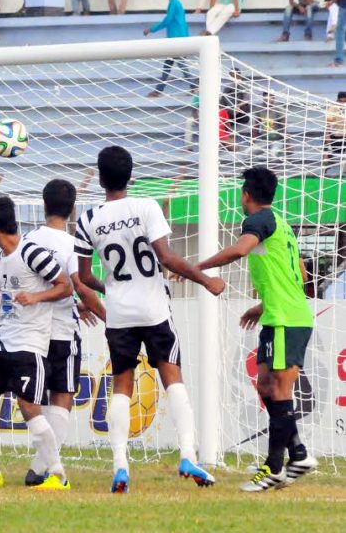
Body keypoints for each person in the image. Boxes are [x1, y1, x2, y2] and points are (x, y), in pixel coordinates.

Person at [74, 146, 223, 493]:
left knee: (122, 386)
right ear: (131, 175)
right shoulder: (147, 206)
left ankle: (120, 466)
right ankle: (187, 454)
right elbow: (167, 258)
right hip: (154, 309)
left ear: (99, 178)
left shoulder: (87, 219)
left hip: (120, 315)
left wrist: (111, 285)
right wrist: (206, 280)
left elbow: (83, 276)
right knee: (173, 380)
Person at [194, 167, 318, 491]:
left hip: (286, 320)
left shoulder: (258, 221)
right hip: (276, 316)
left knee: (279, 391)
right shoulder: (282, 226)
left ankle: (274, 468)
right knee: (265, 385)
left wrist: (197, 267)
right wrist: (262, 305)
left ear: (245, 195)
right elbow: (301, 277)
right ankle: (299, 454)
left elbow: (238, 250)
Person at [0, 196, 73, 491]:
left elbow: (65, 286)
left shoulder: (32, 253)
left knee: (30, 411)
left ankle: (58, 476)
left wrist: (36, 297)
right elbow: (8, 302)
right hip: (1, 341)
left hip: (28, 344)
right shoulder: (1, 256)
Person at [21, 179, 106, 487]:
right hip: (61, 331)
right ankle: (44, 467)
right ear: (73, 210)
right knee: (62, 396)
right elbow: (78, 285)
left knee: (38, 398)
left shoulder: (27, 240)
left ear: (43, 205)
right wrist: (105, 313)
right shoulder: (71, 244)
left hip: (31, 331)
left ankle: (40, 467)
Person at [144, 0, 193, 98]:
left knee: (179, 64)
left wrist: (151, 29)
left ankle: (195, 86)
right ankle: (159, 90)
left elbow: (168, 20)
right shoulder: (175, 1)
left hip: (177, 40)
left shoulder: (174, 2)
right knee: (169, 65)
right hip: (178, 38)